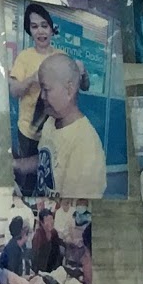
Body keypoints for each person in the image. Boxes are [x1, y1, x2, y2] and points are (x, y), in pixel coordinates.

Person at [36, 51, 106, 197]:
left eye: (46, 89)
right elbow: (48, 162)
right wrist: (19, 165)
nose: (42, 96)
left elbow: (75, 205)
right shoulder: (50, 122)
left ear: (69, 90)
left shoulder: (86, 146)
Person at [9, 2, 57, 195]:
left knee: (50, 177)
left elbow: (78, 87)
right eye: (35, 26)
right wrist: (32, 78)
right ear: (29, 30)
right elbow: (14, 91)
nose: (40, 31)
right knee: (27, 181)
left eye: (44, 25)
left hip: (53, 132)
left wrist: (83, 74)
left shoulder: (61, 56)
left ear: (51, 28)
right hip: (28, 133)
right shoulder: (24, 57)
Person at [31, 207, 64, 273]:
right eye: (47, 220)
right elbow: (35, 259)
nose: (50, 222)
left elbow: (57, 253)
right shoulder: (38, 236)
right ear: (42, 222)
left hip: (53, 269)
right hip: (41, 270)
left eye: (51, 219)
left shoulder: (54, 233)